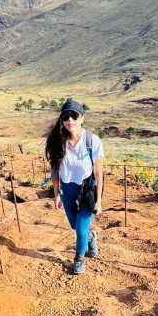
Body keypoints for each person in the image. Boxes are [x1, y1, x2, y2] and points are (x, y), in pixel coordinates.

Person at [45, 99, 104, 275]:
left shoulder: (92, 141)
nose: (70, 119)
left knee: (80, 229)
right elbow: (55, 170)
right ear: (62, 120)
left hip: (87, 191)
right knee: (74, 226)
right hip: (68, 190)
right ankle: (91, 237)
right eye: (66, 116)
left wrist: (99, 201)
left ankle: (79, 259)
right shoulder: (58, 141)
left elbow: (99, 173)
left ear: (82, 118)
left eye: (74, 115)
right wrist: (56, 195)